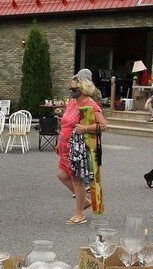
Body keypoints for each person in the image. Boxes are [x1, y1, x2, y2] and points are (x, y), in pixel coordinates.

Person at [56, 75, 107, 225]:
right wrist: (60, 141)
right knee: (61, 174)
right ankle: (83, 201)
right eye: (70, 88)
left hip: (78, 149)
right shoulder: (72, 102)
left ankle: (80, 214)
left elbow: (103, 126)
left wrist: (85, 128)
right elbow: (66, 123)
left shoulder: (90, 105)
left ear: (83, 89)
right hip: (66, 147)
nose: (71, 91)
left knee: (77, 180)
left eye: (74, 88)